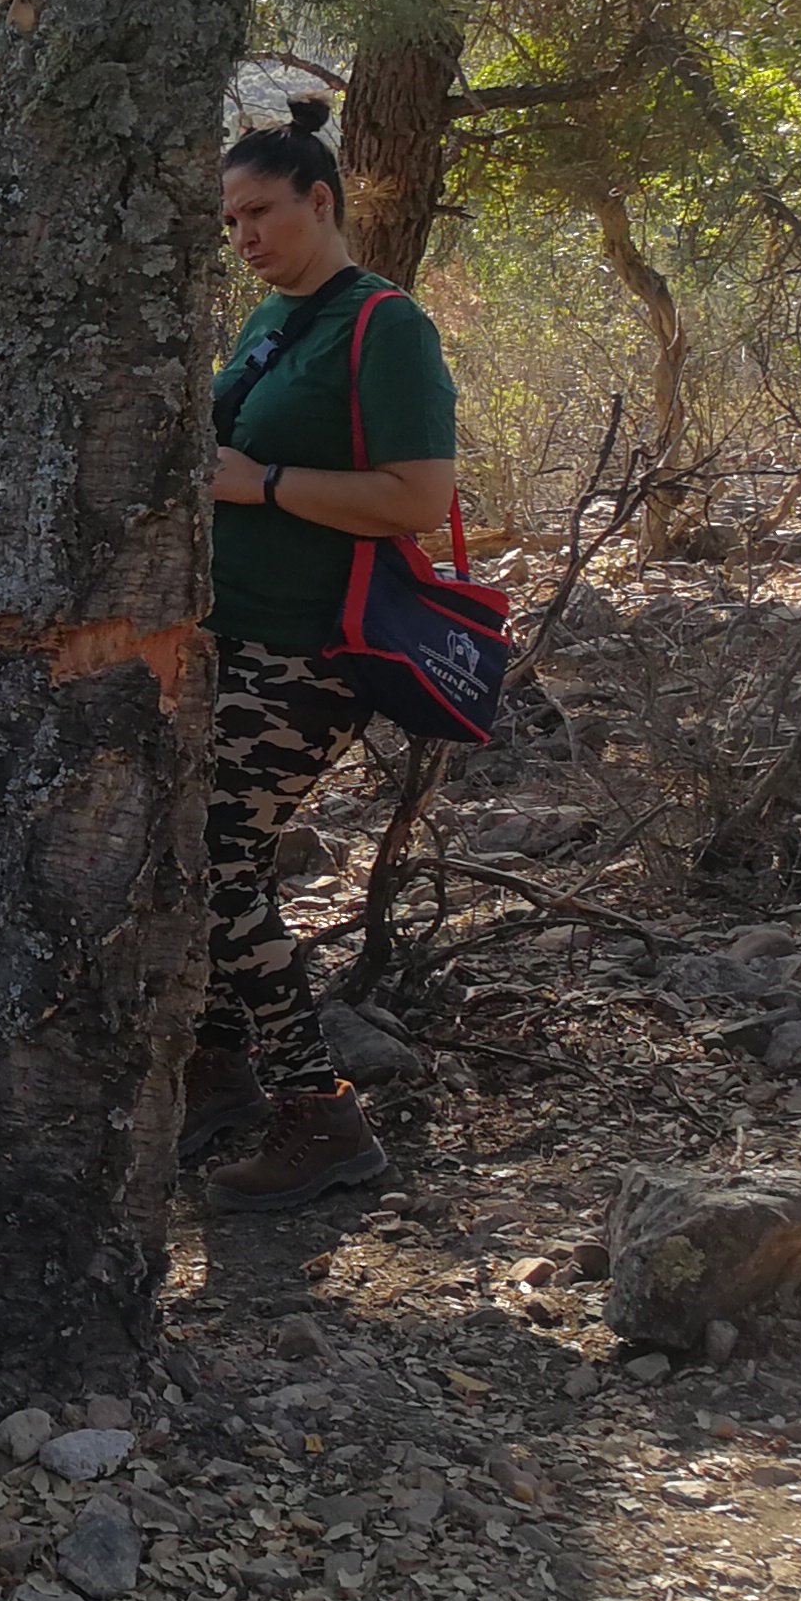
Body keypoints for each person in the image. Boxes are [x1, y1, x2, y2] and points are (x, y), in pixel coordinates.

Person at [193, 95, 460, 1212]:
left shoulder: (385, 324)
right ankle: (217, 1074)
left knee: (214, 861)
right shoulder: (268, 322)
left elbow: (418, 496)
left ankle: (322, 1115)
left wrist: (259, 485)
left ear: (321, 200)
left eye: (261, 212)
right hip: (232, 639)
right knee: (214, 856)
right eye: (230, 221)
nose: (244, 236)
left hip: (314, 650)